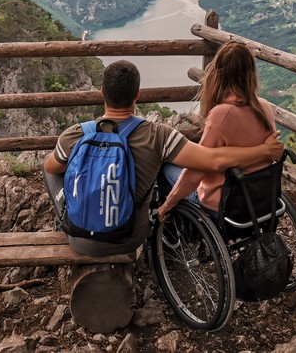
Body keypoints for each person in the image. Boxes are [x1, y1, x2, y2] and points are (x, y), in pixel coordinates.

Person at [43, 59, 283, 256]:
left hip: (81, 240)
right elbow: (214, 160)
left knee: (49, 169)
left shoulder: (75, 135)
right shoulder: (159, 135)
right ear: (137, 94)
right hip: (130, 237)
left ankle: (72, 217)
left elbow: (52, 166)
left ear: (102, 93)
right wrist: (263, 151)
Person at [157, 41, 278, 219]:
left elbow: (199, 169)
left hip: (225, 203)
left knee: (166, 166)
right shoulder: (264, 107)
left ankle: (173, 231)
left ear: (219, 74)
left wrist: (169, 203)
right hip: (261, 200)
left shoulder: (222, 114)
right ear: (251, 72)